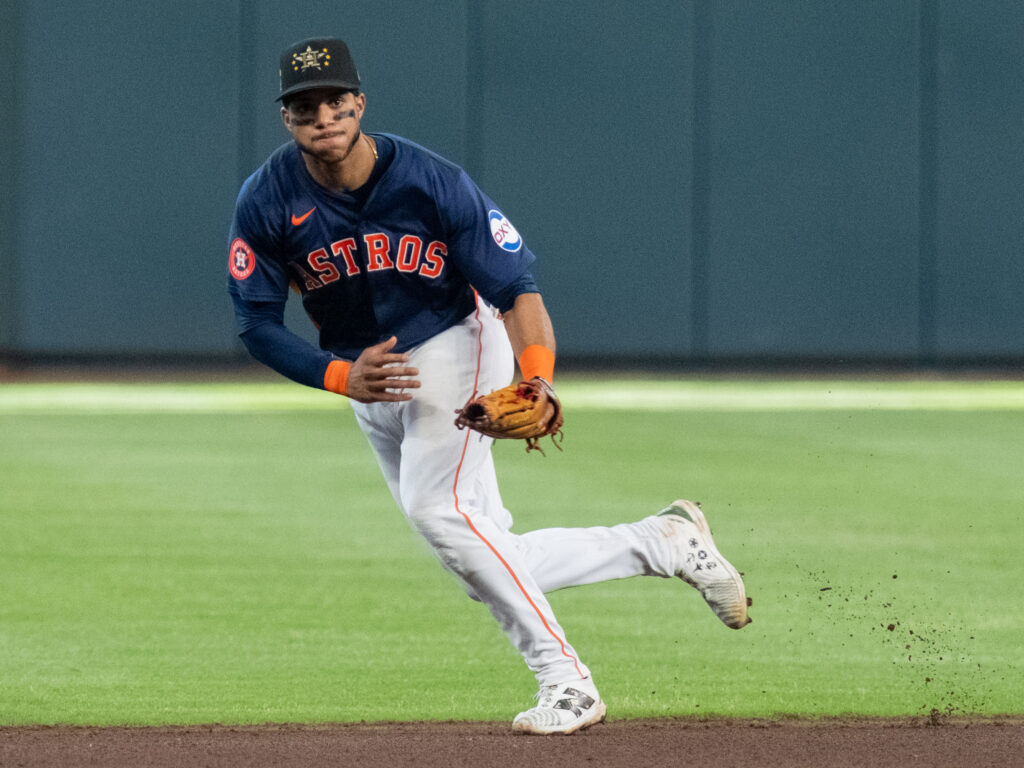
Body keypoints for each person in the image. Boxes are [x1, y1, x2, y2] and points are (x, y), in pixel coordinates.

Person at [226, 37, 751, 735]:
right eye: (304, 105)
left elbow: (516, 290)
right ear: (286, 118)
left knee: (437, 511)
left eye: (334, 99)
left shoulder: (431, 181)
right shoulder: (266, 200)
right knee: (481, 553)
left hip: (454, 342)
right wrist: (340, 376)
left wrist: (538, 380)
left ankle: (567, 681)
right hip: (367, 378)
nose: (322, 115)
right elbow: (257, 324)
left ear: (360, 103)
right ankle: (663, 542)